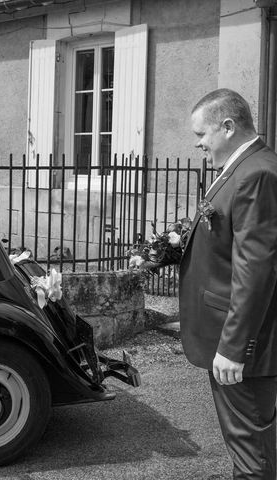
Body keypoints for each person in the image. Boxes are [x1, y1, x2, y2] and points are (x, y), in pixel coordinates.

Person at [180, 88, 277, 479]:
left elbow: (256, 269)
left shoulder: (257, 174)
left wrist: (234, 348)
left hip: (241, 343)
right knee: (249, 447)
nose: (199, 144)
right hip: (228, 336)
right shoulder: (242, 166)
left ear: (228, 126)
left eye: (202, 135)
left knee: (252, 453)